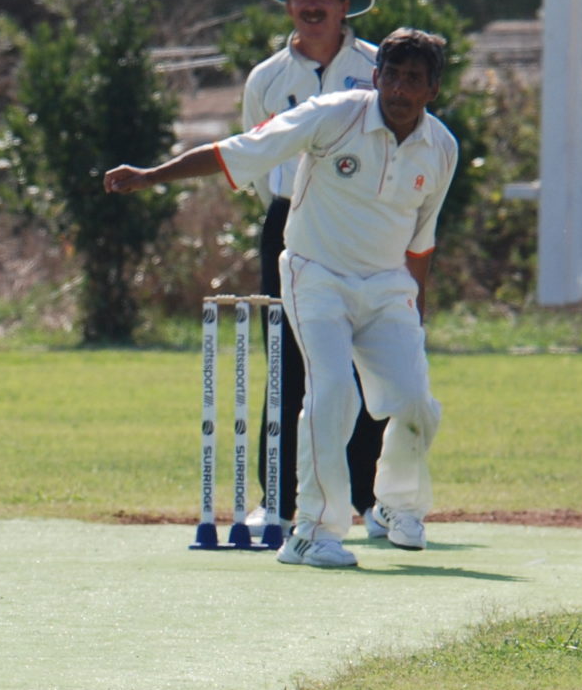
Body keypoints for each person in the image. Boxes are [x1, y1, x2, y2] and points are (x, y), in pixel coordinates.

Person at [106, 29, 457, 570]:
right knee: (334, 392)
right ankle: (311, 532)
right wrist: (153, 176)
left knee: (414, 401)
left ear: (433, 89)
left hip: (387, 286)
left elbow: (422, 241)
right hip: (316, 274)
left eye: (415, 80)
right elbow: (240, 151)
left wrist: (418, 311)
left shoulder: (441, 148)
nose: (400, 90)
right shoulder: (333, 116)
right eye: (392, 75)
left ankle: (396, 506)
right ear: (376, 76)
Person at [242, 0, 388, 537]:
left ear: (344, 4)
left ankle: (370, 499)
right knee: (287, 364)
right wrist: (288, 213)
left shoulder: (378, 66)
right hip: (289, 225)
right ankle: (274, 499)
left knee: (365, 361)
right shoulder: (268, 78)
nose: (310, 5)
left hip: (361, 227)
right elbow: (256, 162)